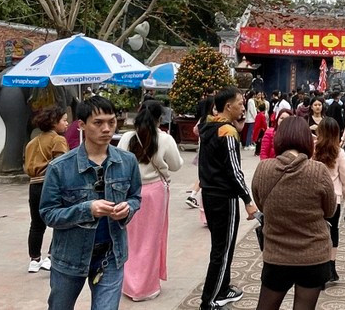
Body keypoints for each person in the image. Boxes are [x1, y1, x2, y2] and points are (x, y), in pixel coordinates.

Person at [39, 96, 142, 310]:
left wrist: (128, 208)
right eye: (98, 123)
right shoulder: (60, 168)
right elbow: (48, 214)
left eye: (111, 122)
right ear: (82, 125)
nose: (107, 129)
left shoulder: (127, 161)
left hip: (111, 255)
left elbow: (135, 197)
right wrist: (87, 209)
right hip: (70, 256)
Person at [251, 117, 336, 309]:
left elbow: (261, 205)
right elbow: (330, 211)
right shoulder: (319, 171)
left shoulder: (263, 169)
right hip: (313, 256)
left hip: (276, 255)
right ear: (307, 140)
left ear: (279, 139)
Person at [198, 87, 259, 310]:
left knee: (222, 247)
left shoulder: (208, 126)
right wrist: (248, 200)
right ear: (227, 106)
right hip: (225, 197)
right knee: (222, 251)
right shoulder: (227, 131)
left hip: (210, 194)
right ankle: (210, 300)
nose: (243, 107)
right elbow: (234, 171)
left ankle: (223, 289)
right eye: (240, 103)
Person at [118, 100, 183, 301]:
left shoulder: (127, 137)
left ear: (138, 112)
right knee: (151, 239)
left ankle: (129, 285)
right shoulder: (165, 139)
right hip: (155, 193)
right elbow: (176, 165)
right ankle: (146, 287)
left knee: (131, 238)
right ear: (160, 117)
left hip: (130, 192)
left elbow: (118, 163)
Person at [24, 106, 69, 273]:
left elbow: (26, 166)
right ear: (53, 123)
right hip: (51, 184)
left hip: (34, 185)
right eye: (64, 120)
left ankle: (34, 260)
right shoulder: (58, 140)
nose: (67, 123)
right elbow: (61, 165)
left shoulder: (31, 143)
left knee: (36, 224)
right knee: (59, 220)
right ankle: (50, 257)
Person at [313, 117, 345, 282]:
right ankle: (331, 267)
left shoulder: (313, 149)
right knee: (333, 231)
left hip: (314, 198)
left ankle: (317, 265)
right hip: (334, 201)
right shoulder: (339, 152)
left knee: (316, 232)